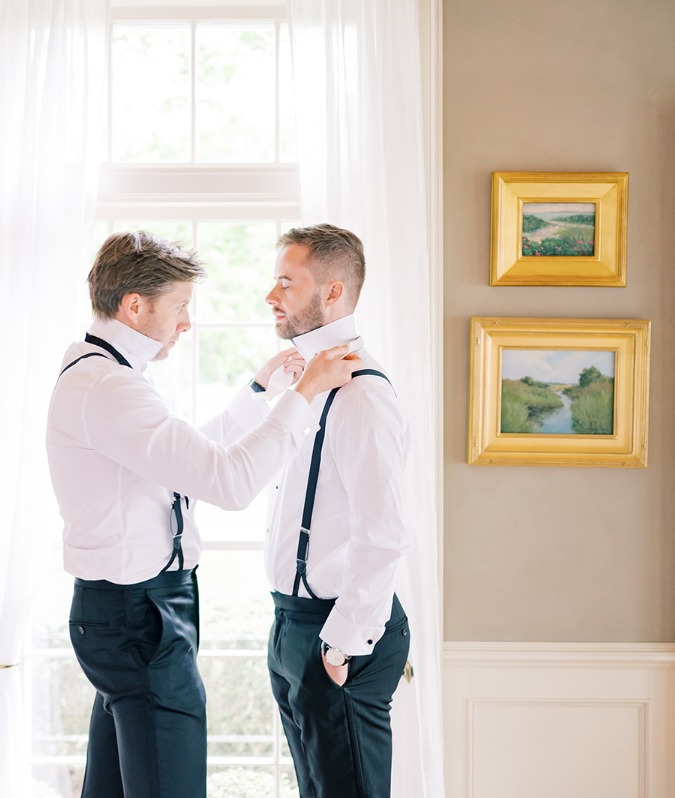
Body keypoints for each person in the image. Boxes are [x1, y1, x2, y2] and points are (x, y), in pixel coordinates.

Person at [46, 230, 358, 798]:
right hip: (139, 616)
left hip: (126, 613)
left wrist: (260, 390)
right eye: (180, 307)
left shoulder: (103, 375)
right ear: (134, 306)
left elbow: (187, 462)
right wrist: (305, 395)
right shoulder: (109, 386)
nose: (187, 323)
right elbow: (228, 481)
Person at [259, 224, 413, 798]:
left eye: (285, 282)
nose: (271, 297)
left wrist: (342, 642)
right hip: (293, 624)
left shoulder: (363, 397)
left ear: (332, 292)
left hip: (337, 632)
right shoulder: (310, 385)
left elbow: (384, 535)